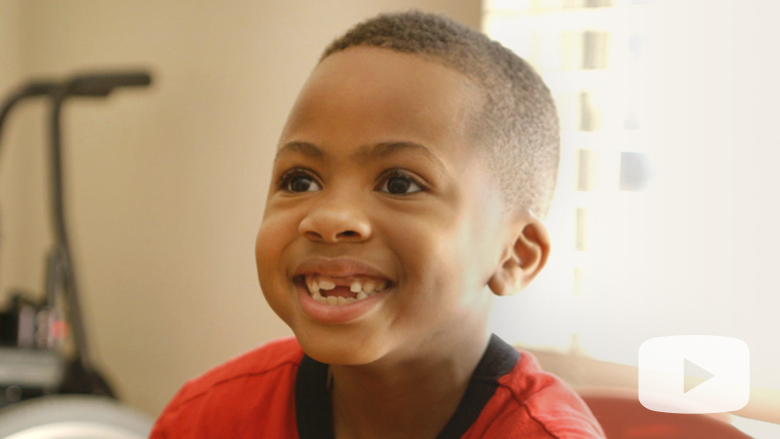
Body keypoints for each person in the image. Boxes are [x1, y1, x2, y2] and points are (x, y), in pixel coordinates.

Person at [150, 10, 605, 439]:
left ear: (516, 255)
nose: (329, 218)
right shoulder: (206, 419)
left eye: (400, 184)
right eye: (300, 179)